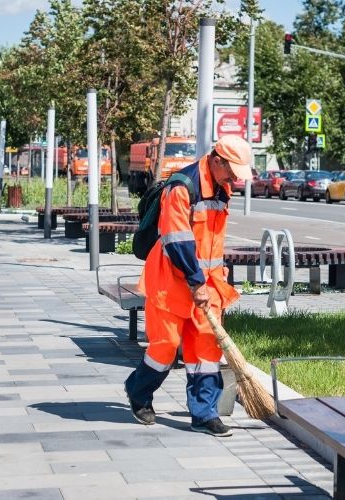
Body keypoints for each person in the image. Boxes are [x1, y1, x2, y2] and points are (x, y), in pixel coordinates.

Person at [125, 135, 252, 437]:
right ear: (217, 160)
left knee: (206, 351)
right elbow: (177, 240)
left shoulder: (221, 188)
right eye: (232, 171)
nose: (235, 178)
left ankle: (204, 414)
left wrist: (209, 283)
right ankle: (138, 391)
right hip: (171, 281)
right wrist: (197, 282)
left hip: (208, 283)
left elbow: (211, 243)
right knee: (165, 347)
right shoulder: (182, 187)